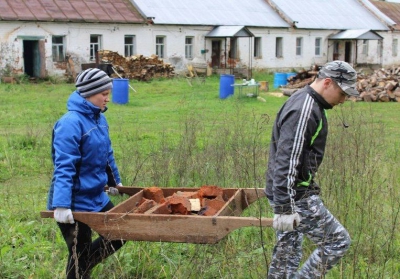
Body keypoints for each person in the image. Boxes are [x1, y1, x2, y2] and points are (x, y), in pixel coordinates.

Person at [265, 61, 359, 278]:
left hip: (289, 193)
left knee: (285, 257)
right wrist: (284, 208)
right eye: (343, 93)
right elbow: (287, 160)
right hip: (295, 195)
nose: (344, 100)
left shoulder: (309, 103)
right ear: (327, 83)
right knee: (337, 242)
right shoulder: (304, 110)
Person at [47, 68, 125, 278]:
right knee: (79, 253)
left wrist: (114, 183)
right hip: (74, 200)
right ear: (90, 93)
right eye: (104, 94)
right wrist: (61, 205)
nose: (107, 98)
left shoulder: (99, 119)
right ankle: (80, 270)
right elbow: (64, 165)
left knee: (119, 234)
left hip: (96, 196)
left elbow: (107, 154)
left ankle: (81, 268)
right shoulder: (70, 123)